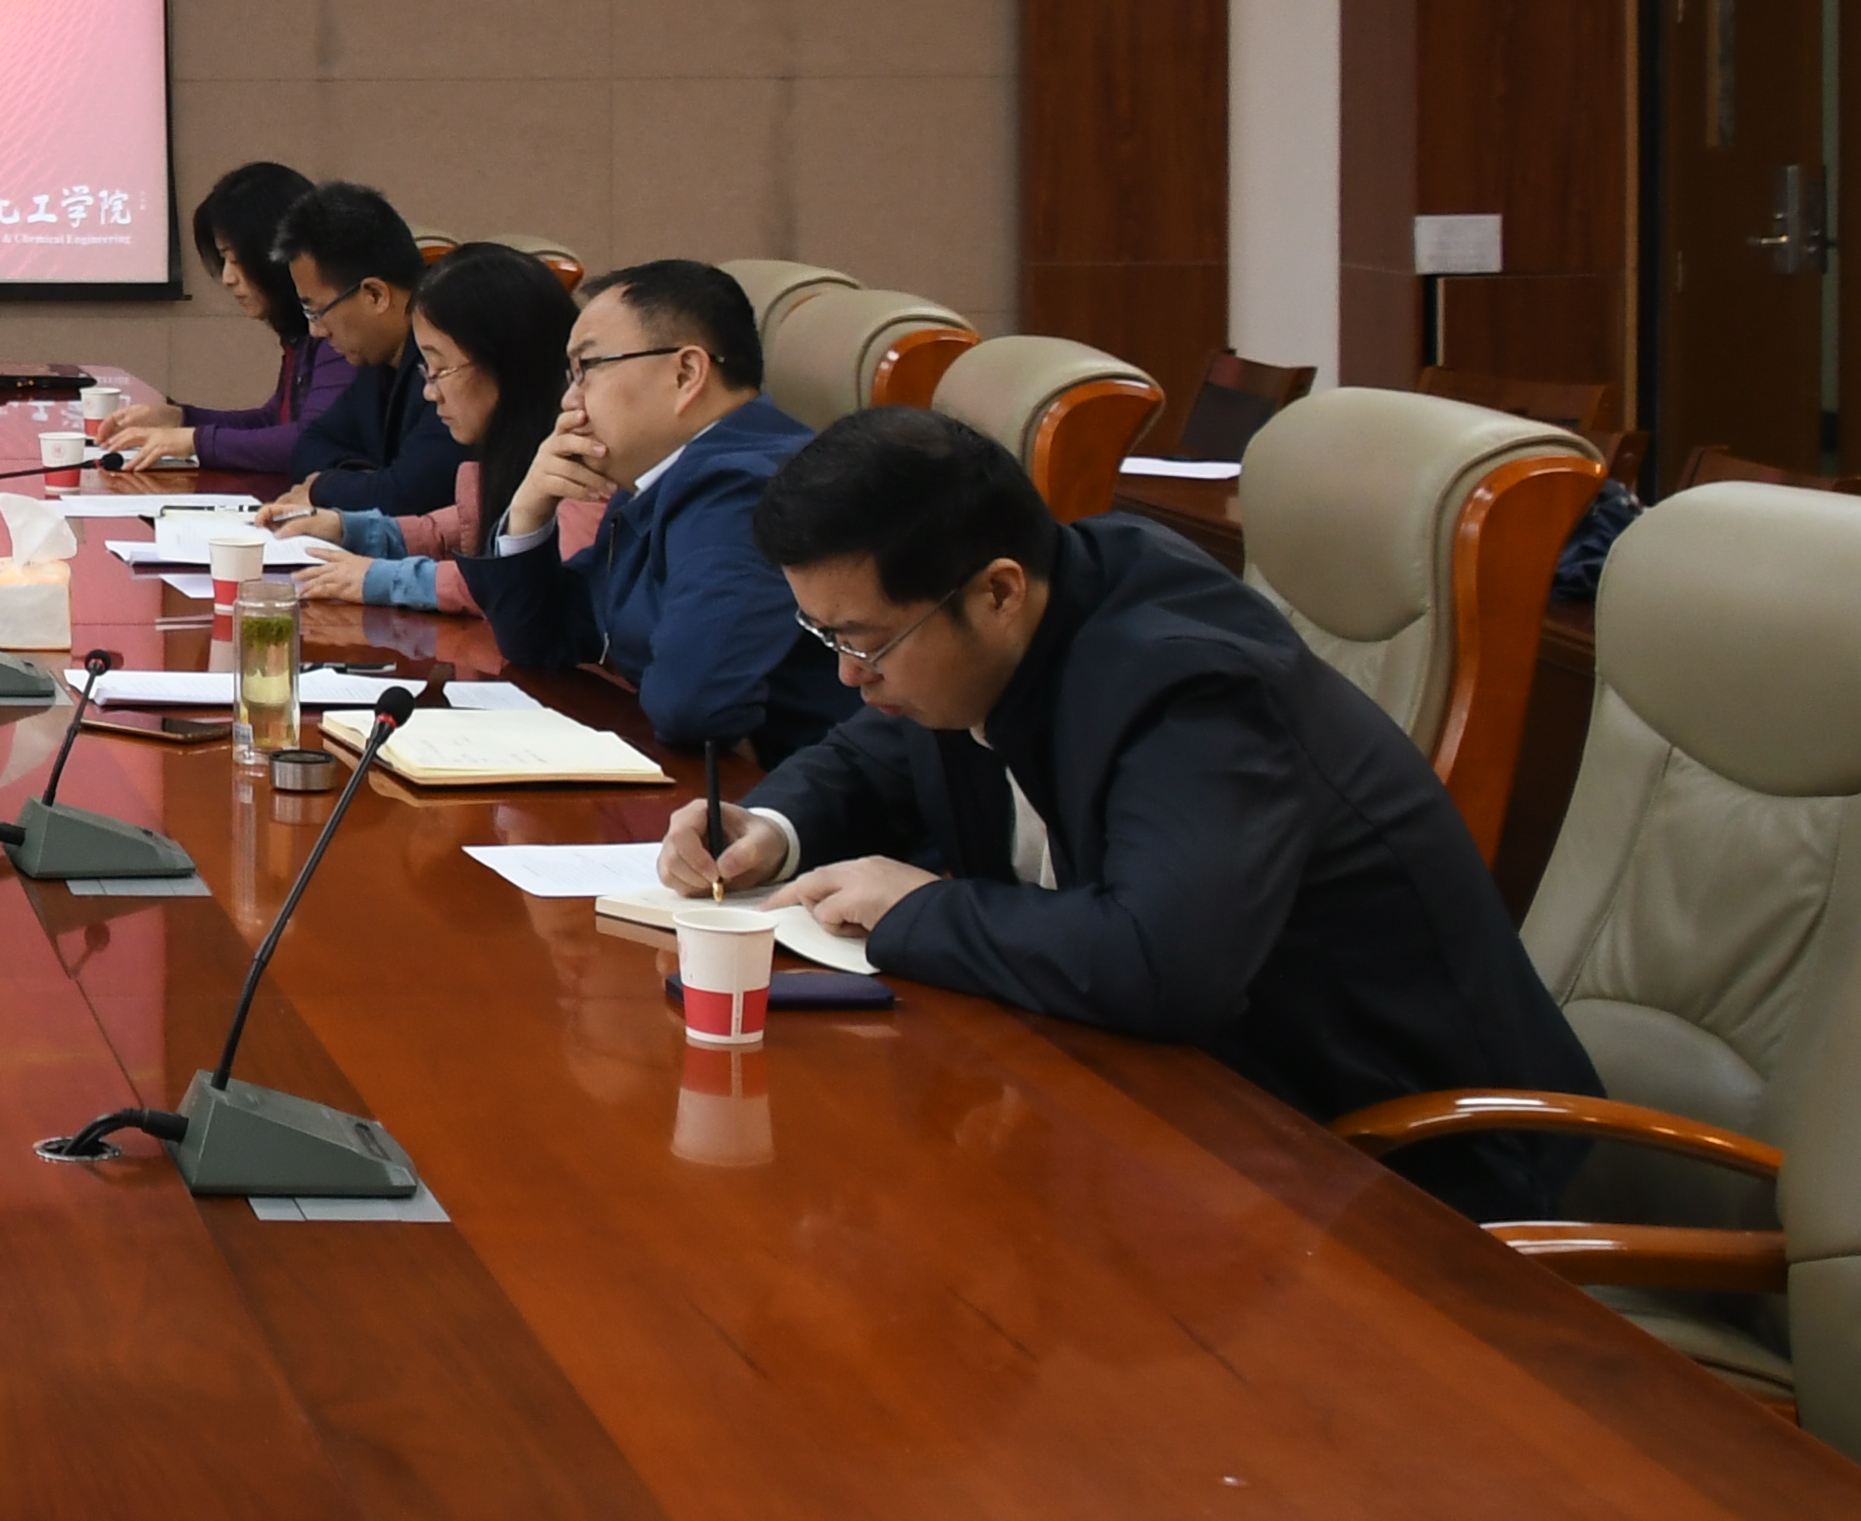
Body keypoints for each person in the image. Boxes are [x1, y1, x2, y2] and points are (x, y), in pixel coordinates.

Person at [659, 407, 1602, 1215]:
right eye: (825, 635)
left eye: (865, 642)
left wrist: (918, 908)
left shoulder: (1190, 686)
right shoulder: (992, 628)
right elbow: (875, 756)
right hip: (1188, 1121)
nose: (847, 676)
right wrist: (767, 827)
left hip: (1407, 1172)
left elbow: (1160, 963)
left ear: (997, 592)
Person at [496, 256, 845, 763]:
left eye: (587, 369)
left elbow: (694, 704)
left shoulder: (744, 488)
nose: (569, 402)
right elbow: (544, 640)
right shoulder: (663, 478)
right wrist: (528, 511)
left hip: (798, 797)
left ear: (686, 373)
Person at [287, 241, 580, 676]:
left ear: (506, 360)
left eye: (441, 369)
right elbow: (456, 527)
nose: (430, 391)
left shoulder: (578, 460)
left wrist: (380, 579)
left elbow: (532, 582)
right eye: (425, 370)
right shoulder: (512, 449)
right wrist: (348, 528)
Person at [91, 160, 349, 476]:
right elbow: (275, 420)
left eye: (236, 259)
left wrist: (195, 441)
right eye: (224, 259)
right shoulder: (300, 333)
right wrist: (182, 419)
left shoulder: (340, 332)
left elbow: (308, 442)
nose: (227, 278)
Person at [246, 180, 472, 518]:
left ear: (375, 295)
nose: (316, 330)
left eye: (317, 311)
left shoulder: (454, 360)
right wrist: (363, 482)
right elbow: (310, 444)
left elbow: (407, 496)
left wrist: (325, 487)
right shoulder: (377, 363)